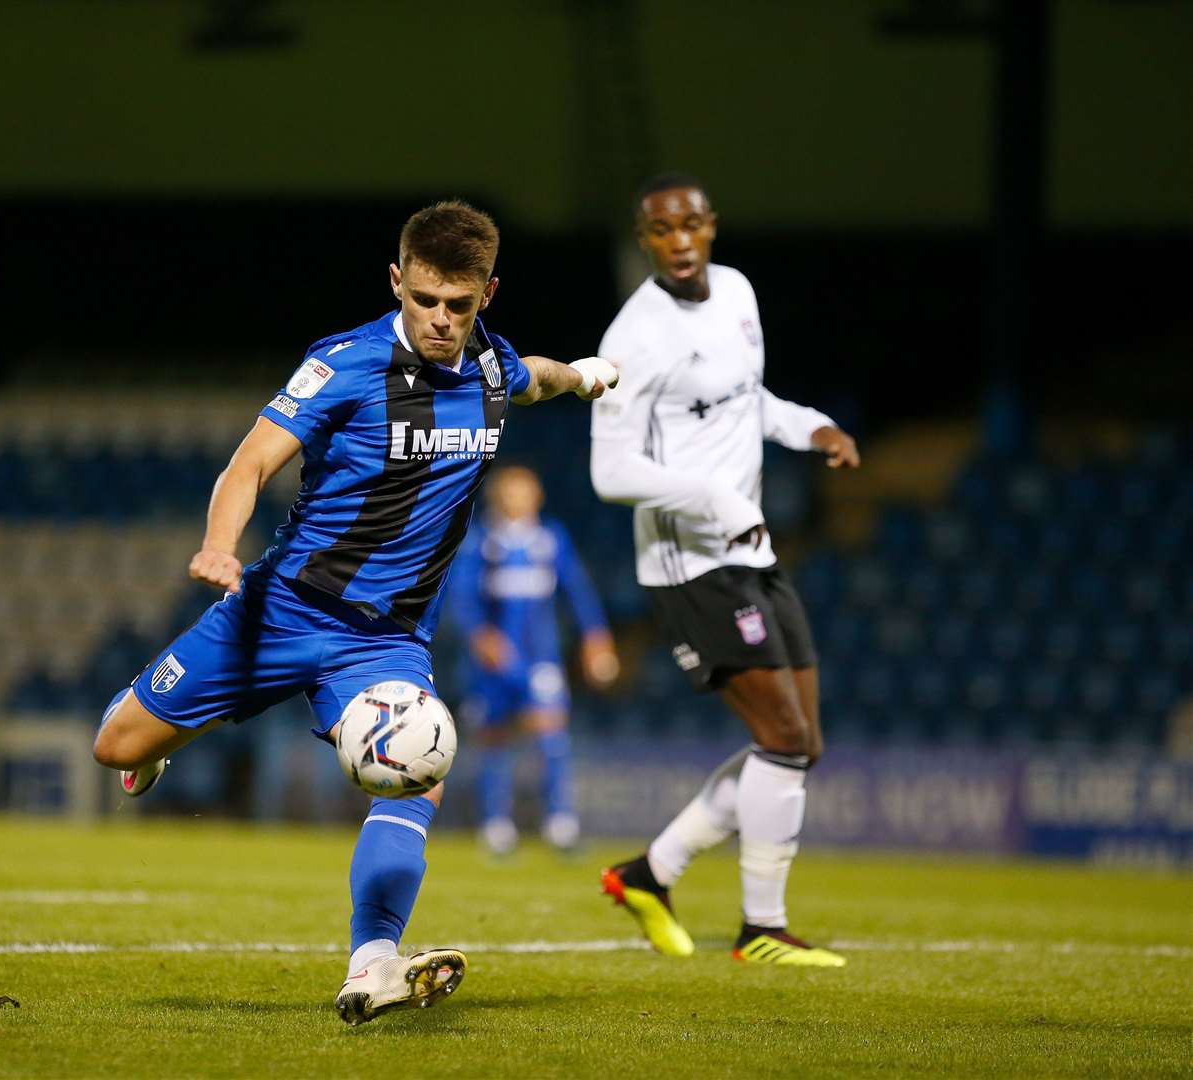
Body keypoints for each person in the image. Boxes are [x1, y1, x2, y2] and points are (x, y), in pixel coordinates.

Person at [91, 200, 619, 1023]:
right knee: (113, 745)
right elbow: (250, 462)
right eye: (427, 301)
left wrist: (585, 375)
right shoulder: (345, 364)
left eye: (461, 305)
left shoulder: (489, 364)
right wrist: (218, 547)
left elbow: (536, 376)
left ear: (488, 296)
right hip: (280, 609)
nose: (443, 321)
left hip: (385, 641)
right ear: (397, 282)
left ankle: (373, 961)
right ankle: (157, 743)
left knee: (420, 772)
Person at [588, 173, 861, 967]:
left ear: (712, 227)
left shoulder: (737, 293)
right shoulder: (631, 339)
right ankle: (761, 930)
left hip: (753, 551)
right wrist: (710, 496)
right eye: (660, 231)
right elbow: (611, 472)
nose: (678, 242)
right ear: (644, 241)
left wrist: (812, 428)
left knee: (799, 744)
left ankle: (649, 874)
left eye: (691, 226)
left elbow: (747, 401)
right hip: (690, 565)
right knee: (780, 736)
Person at [444, 465, 619, 855]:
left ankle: (560, 823)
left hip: (542, 657)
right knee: (495, 738)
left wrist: (595, 635)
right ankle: (496, 825)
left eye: (524, 491)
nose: (517, 498)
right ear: (497, 496)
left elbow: (578, 590)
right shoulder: (482, 542)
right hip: (493, 663)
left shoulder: (550, 539)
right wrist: (479, 635)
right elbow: (461, 597)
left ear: (537, 496)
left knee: (552, 733)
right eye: (510, 491)